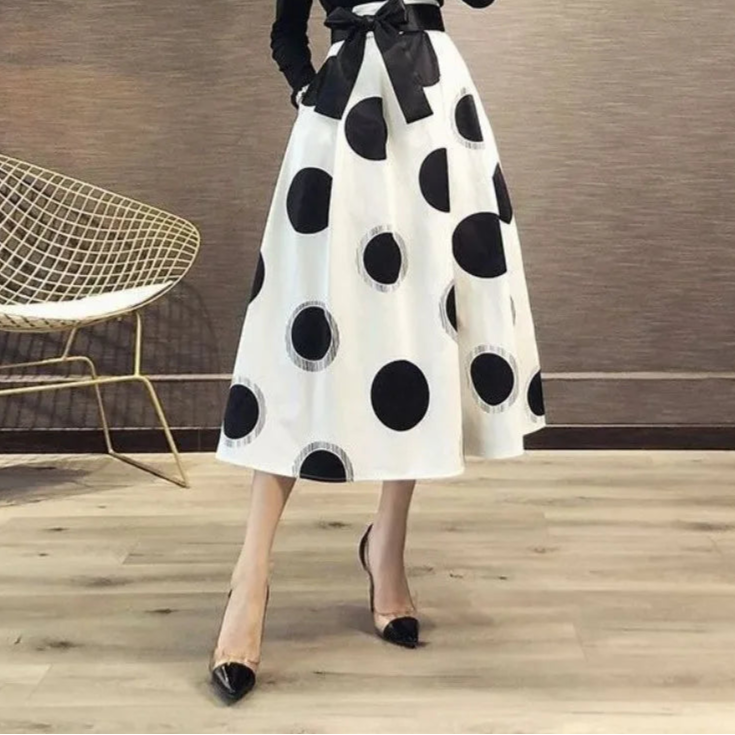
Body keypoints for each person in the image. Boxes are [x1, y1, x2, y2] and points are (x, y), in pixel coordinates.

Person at [210, 0, 546, 703]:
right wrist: (311, 92)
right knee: (302, 334)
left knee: (425, 323)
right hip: (340, 121)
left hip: (431, 111)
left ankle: (386, 546)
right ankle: (250, 575)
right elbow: (285, 33)